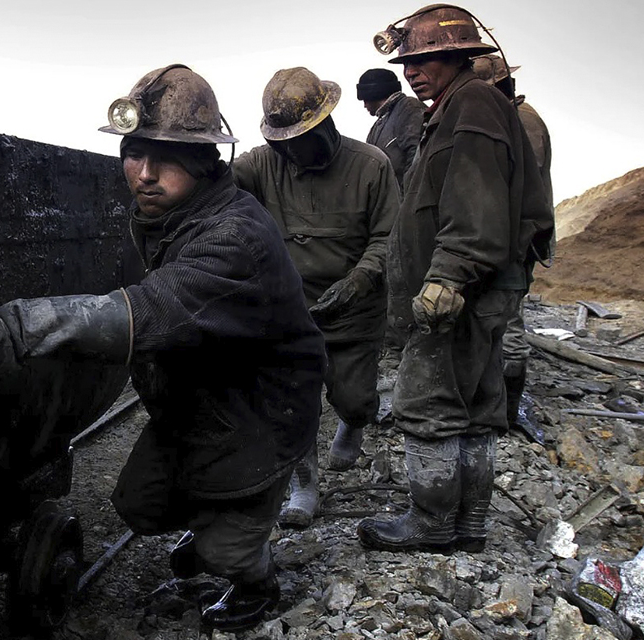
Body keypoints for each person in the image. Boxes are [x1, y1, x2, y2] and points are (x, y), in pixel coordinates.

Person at [0, 64, 325, 631]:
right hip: (199, 395)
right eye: (133, 153)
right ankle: (221, 521)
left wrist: (24, 325)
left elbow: (146, 312)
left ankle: (255, 575)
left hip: (259, 409)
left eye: (165, 159)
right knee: (140, 506)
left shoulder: (235, 237)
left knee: (224, 554)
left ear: (204, 161)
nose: (143, 174)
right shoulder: (172, 213)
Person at [357, 4, 553, 553]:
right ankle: (469, 526)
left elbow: (475, 201)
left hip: (461, 293)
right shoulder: (462, 107)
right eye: (407, 63)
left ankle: (433, 523)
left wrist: (448, 274)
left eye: (424, 59)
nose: (411, 71)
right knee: (475, 407)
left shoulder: (470, 104)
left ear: (457, 55)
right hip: (480, 290)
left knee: (426, 403)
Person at [232, 68, 400, 528]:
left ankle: (353, 420)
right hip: (292, 310)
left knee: (354, 395)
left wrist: (359, 280)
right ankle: (304, 484)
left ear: (324, 123)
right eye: (280, 140)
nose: (287, 149)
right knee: (292, 402)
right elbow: (214, 187)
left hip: (355, 307)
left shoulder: (371, 165)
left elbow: (389, 237)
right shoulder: (263, 163)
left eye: (297, 138)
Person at [472, 54, 554, 444]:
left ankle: (507, 410)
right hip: (509, 237)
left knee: (510, 323)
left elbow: (517, 190)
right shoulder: (515, 117)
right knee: (501, 320)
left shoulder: (522, 122)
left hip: (515, 242)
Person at [356, 68, 426, 188]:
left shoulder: (409, 108)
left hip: (407, 198)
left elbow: (417, 155)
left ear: (374, 93)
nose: (364, 105)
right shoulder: (378, 125)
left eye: (365, 99)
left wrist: (408, 198)